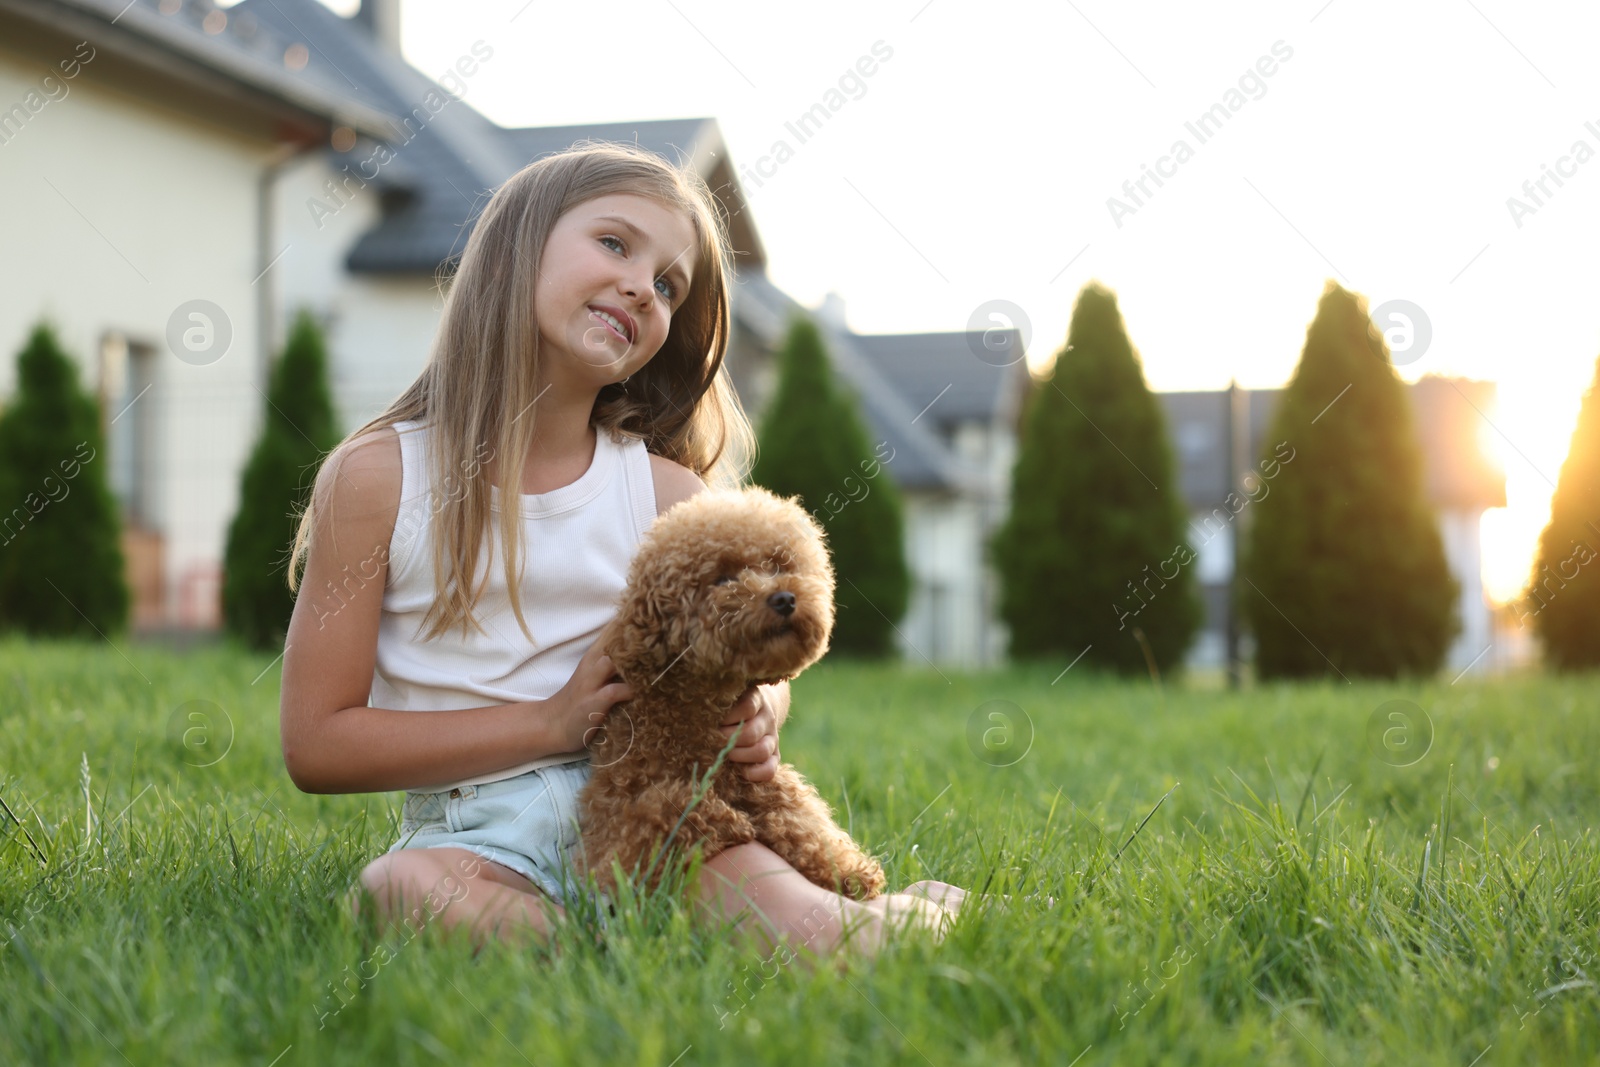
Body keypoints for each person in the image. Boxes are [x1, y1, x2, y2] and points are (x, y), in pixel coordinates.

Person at [279, 141, 969, 962]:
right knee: (394, 893)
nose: (645, 284)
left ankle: (916, 916)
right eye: (614, 244)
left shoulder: (666, 496)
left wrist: (760, 713)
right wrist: (548, 721)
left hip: (669, 808)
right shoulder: (377, 478)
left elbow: (742, 658)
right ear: (514, 252)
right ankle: (627, 947)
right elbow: (317, 741)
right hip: (477, 834)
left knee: (833, 946)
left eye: (670, 284)